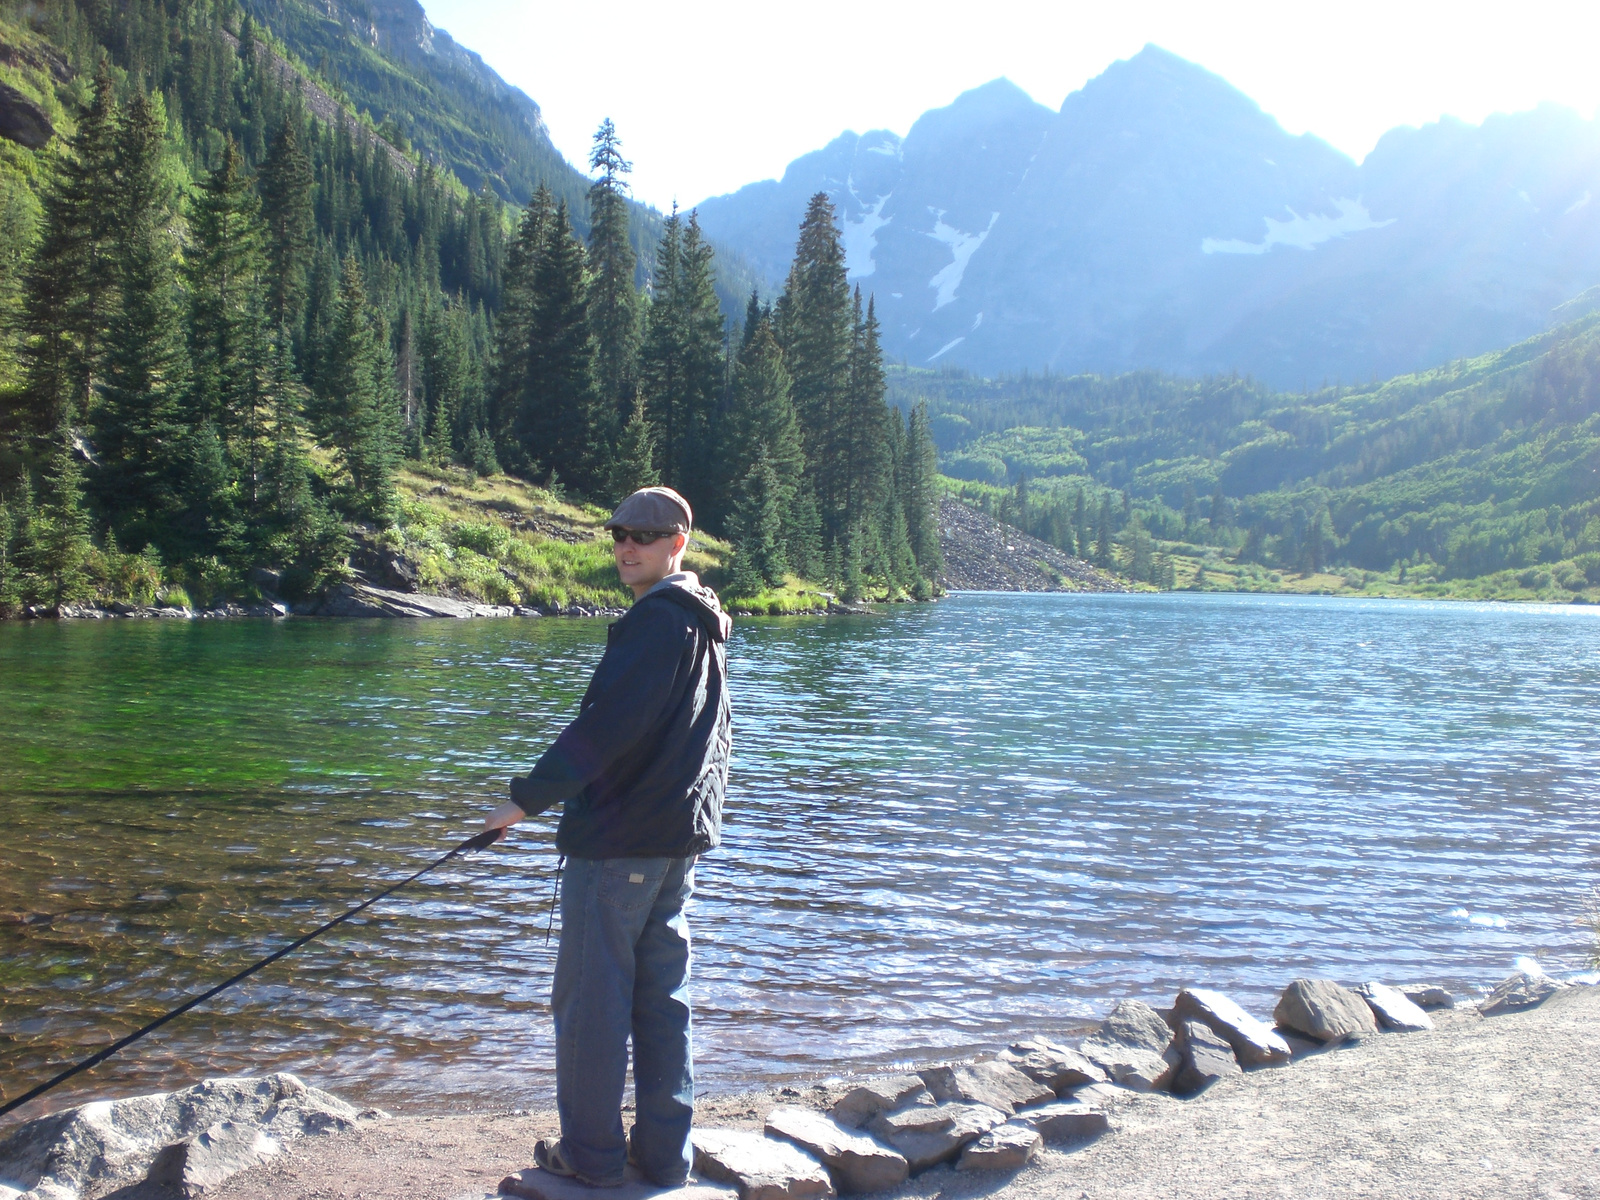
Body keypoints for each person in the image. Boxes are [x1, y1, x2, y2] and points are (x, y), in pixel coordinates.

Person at [483, 485, 732, 1189]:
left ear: (679, 544)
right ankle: (662, 1161)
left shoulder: (658, 622)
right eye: (619, 533)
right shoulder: (700, 621)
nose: (628, 547)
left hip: (620, 846)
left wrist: (523, 801)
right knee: (662, 1004)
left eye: (645, 536)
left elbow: (606, 731)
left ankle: (591, 1161)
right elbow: (712, 745)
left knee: (591, 1007)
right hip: (675, 845)